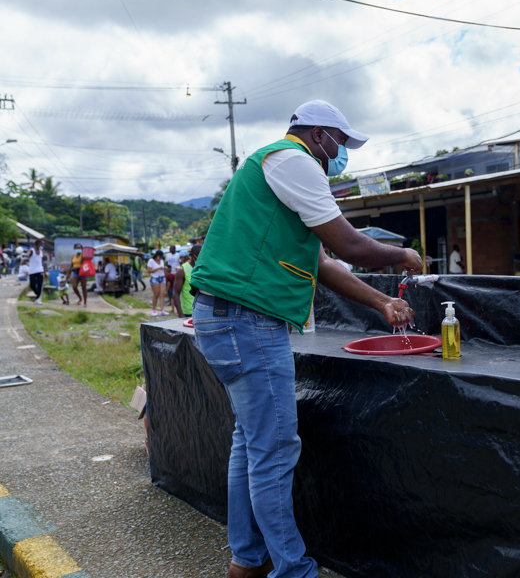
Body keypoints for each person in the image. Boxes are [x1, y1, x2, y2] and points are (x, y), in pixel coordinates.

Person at [190, 100, 422, 578]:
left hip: (227, 318)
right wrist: (402, 255)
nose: (343, 154)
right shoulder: (294, 160)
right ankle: (294, 571)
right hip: (246, 322)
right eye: (342, 142)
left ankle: (247, 561)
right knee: (274, 450)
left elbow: (322, 263)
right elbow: (350, 245)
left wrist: (381, 304)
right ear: (319, 135)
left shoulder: (279, 171)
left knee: (250, 444)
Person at [173, 244, 200, 318]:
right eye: (197, 255)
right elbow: (175, 293)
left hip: (202, 311)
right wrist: (180, 314)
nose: (199, 258)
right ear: (191, 255)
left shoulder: (203, 268)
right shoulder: (182, 270)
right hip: (188, 311)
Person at [147, 250, 168, 317]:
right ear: (157, 256)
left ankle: (162, 310)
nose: (161, 258)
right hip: (154, 278)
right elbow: (149, 271)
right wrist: (158, 268)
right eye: (160, 257)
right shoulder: (151, 261)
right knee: (156, 294)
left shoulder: (161, 261)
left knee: (162, 294)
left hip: (162, 277)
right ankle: (154, 310)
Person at [27, 240, 45, 304]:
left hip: (40, 270)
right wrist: (25, 255)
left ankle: (38, 299)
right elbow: (28, 254)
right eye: (42, 244)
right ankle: (37, 294)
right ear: (37, 244)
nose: (43, 245)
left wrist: (44, 272)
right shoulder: (32, 250)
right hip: (32, 271)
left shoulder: (41, 252)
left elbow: (41, 262)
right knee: (32, 285)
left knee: (40, 285)